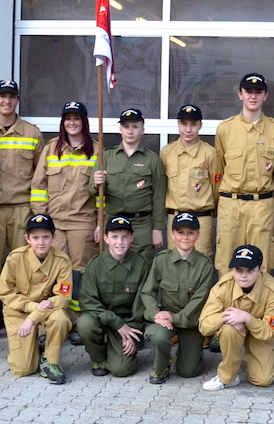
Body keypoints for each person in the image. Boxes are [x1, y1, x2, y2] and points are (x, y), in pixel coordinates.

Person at [0, 79, 44, 343]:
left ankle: (22, 320)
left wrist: (37, 213)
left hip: (21, 210)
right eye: (2, 96)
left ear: (17, 100)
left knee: (24, 271)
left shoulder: (32, 133)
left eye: (11, 96)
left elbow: (40, 176)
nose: (7, 101)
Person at [31, 101, 100, 345]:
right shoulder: (51, 149)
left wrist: (100, 223)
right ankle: (49, 324)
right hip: (55, 224)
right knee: (52, 274)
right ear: (63, 122)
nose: (72, 123)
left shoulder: (96, 151)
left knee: (79, 275)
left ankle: (77, 323)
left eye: (77, 118)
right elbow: (38, 186)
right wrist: (42, 221)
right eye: (68, 119)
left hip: (83, 222)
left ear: (84, 121)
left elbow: (102, 194)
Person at [214, 73, 274, 275]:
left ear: (265, 95)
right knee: (227, 262)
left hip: (262, 206)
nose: (253, 96)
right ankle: (227, 297)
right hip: (231, 205)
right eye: (248, 92)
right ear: (240, 94)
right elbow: (219, 170)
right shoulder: (225, 129)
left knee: (263, 263)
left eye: (258, 92)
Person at [0, 214, 73, 384]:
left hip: (47, 310)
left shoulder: (62, 261)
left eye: (46, 237)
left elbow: (63, 296)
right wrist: (33, 309)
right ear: (27, 239)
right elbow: (5, 293)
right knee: (23, 369)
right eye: (36, 238)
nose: (41, 242)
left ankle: (50, 360)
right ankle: (30, 349)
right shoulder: (15, 258)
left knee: (60, 319)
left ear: (53, 237)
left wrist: (33, 318)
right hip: (18, 311)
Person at [139, 212, 213, 384]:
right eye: (180, 232)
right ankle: (162, 365)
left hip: (190, 321)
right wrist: (156, 315)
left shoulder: (204, 264)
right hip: (167, 320)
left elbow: (200, 298)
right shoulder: (161, 260)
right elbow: (147, 292)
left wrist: (176, 317)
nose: (185, 237)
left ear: (198, 235)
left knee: (188, 371)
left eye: (190, 233)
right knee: (157, 336)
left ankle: (190, 352)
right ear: (172, 235)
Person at [198, 244, 274, 391]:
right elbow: (204, 326)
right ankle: (228, 377)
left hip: (259, 333)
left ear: (260, 270)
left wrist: (247, 318)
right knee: (229, 330)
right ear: (232, 269)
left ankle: (255, 359)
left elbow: (270, 332)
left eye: (250, 270)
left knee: (264, 379)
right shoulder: (222, 287)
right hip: (233, 330)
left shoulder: (273, 291)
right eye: (239, 270)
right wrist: (226, 317)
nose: (244, 275)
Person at [76, 216, 150, 377]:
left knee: (121, 370)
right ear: (106, 238)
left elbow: (141, 305)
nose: (120, 242)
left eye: (125, 237)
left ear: (132, 238)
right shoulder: (95, 265)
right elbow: (88, 301)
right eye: (114, 237)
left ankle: (117, 352)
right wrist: (116, 324)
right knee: (85, 324)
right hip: (101, 319)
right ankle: (99, 359)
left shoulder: (140, 264)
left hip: (127, 323)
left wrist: (132, 336)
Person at [92, 108, 166, 260]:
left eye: (135, 127)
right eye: (126, 127)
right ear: (120, 129)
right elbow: (91, 190)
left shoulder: (152, 160)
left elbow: (159, 196)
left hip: (141, 224)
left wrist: (157, 229)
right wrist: (96, 183)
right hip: (113, 222)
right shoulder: (106, 156)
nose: (130, 131)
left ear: (142, 130)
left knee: (142, 266)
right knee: (112, 266)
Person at [159, 104, 219, 257]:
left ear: (200, 125)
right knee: (174, 261)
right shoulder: (167, 152)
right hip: (175, 217)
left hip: (201, 218)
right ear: (178, 124)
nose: (188, 129)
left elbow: (216, 187)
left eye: (193, 124)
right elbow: (162, 187)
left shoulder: (210, 153)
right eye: (184, 124)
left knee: (200, 261)